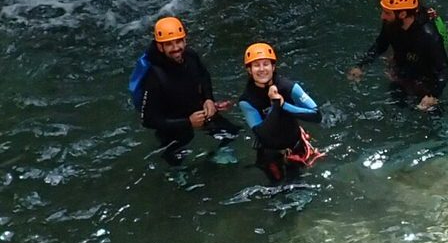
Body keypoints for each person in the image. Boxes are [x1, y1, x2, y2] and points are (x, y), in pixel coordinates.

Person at [129, 15, 237, 162]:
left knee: (232, 133)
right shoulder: (154, 76)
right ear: (160, 47)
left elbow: (204, 75)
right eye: (169, 44)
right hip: (171, 122)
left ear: (185, 40)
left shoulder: (190, 56)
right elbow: (148, 120)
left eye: (179, 41)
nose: (176, 48)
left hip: (195, 110)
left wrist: (208, 99)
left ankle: (218, 157)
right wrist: (187, 122)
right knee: (177, 155)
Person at [348, 0, 448, 110]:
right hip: (402, 70)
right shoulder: (391, 23)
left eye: (387, 13)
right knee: (397, 106)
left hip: (425, 78)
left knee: (430, 114)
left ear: (402, 14)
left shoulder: (429, 36)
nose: (382, 16)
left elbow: (444, 71)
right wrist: (361, 66)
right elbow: (381, 44)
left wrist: (432, 95)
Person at [239, 41, 324, 183]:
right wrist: (276, 105)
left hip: (295, 146)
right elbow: (262, 134)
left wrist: (284, 105)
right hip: (270, 153)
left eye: (265, 64)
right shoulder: (247, 100)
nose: (261, 69)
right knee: (277, 186)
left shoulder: (289, 87)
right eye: (256, 65)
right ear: (249, 70)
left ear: (273, 66)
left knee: (297, 183)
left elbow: (316, 115)